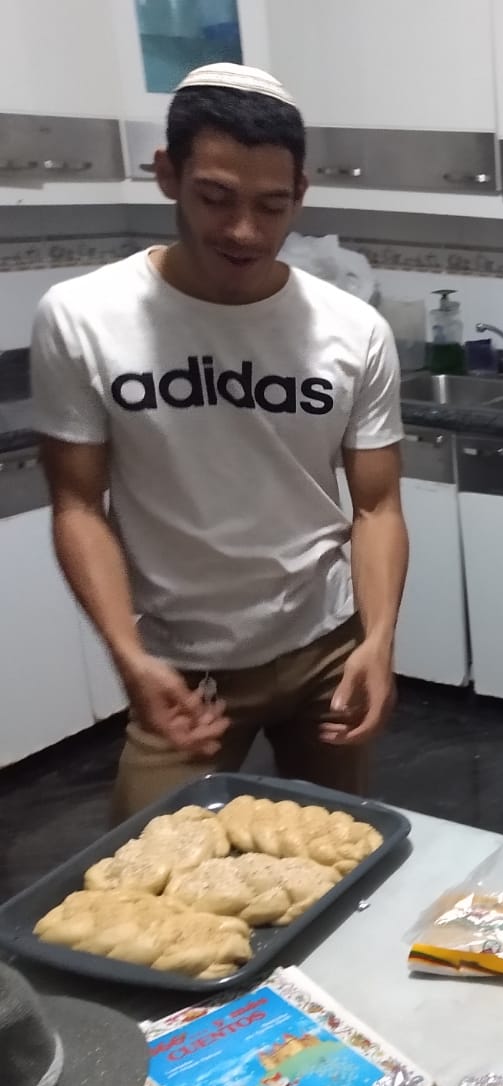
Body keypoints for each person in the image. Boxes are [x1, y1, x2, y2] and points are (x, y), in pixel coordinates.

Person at [32, 64, 408, 820]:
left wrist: (379, 640)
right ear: (167, 174)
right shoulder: (82, 318)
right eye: (215, 197)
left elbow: (377, 507)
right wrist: (127, 655)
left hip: (325, 646)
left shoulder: (354, 330)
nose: (245, 231)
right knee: (143, 870)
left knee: (336, 853)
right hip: (181, 665)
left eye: (272, 206)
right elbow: (77, 504)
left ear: (300, 193)